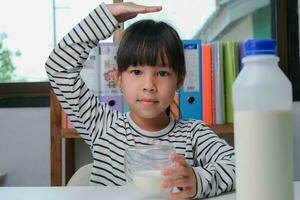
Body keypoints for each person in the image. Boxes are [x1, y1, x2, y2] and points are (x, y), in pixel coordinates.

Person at [45, 2, 235, 199]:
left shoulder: (193, 135)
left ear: (179, 79)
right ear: (118, 77)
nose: (149, 85)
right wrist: (106, 16)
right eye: (136, 72)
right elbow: (58, 68)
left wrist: (198, 179)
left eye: (162, 73)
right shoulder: (103, 126)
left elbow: (238, 164)